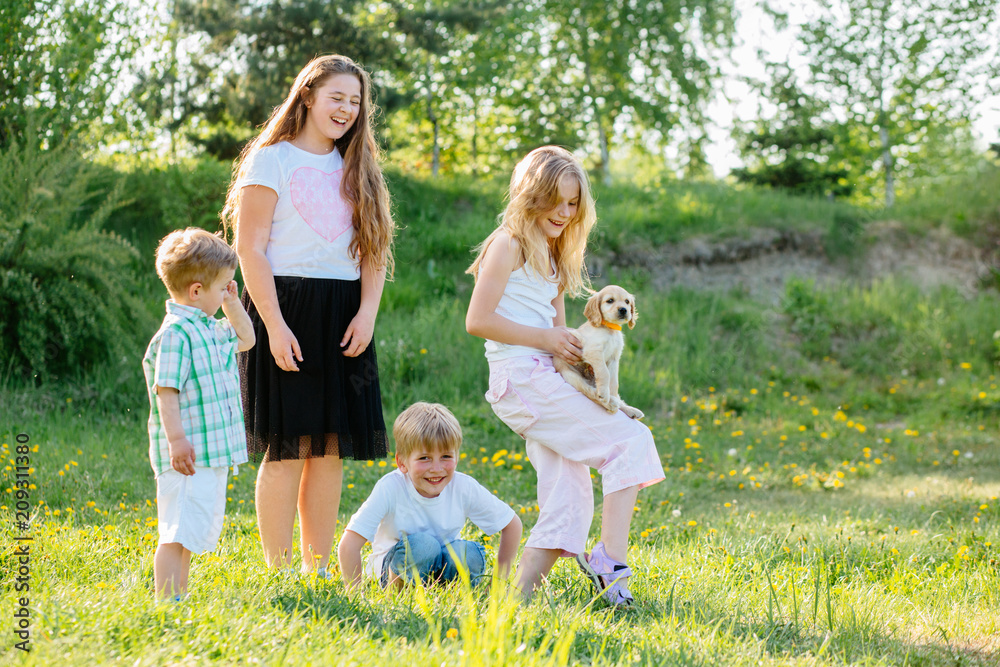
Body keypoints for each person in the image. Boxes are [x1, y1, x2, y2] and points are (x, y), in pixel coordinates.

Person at [465, 146, 664, 607]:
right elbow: (477, 320)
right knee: (629, 442)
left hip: (549, 377)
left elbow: (559, 335)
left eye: (573, 203)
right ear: (530, 195)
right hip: (522, 379)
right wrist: (548, 340)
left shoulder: (554, 258)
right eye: (554, 199)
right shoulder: (508, 243)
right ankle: (610, 560)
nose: (563, 211)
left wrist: (581, 356)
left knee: (568, 491)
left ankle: (517, 599)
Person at [221, 55, 395, 576]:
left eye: (355, 101)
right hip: (284, 307)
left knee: (330, 450)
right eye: (336, 97)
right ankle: (279, 571)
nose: (346, 109)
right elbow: (249, 249)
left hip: (344, 312)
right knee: (288, 447)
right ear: (308, 97)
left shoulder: (358, 165)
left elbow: (373, 251)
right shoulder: (270, 159)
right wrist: (272, 325)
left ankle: (317, 571)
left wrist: (367, 313)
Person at [143, 228, 256, 600]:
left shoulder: (207, 328)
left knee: (188, 532)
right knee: (175, 532)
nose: (228, 290)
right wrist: (176, 440)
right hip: (186, 455)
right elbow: (167, 390)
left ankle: (179, 596)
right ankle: (167, 601)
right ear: (196, 291)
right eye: (223, 286)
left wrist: (231, 303)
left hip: (205, 454)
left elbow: (247, 338)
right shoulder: (177, 334)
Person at [338, 402, 522, 590]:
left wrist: (498, 583)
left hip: (442, 568)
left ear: (457, 457)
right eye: (424, 458)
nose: (436, 469)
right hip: (395, 570)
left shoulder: (463, 487)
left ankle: (448, 592)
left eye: (446, 457)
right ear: (402, 462)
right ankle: (400, 594)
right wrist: (355, 593)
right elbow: (348, 545)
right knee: (424, 546)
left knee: (468, 553)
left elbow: (512, 525)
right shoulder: (390, 488)